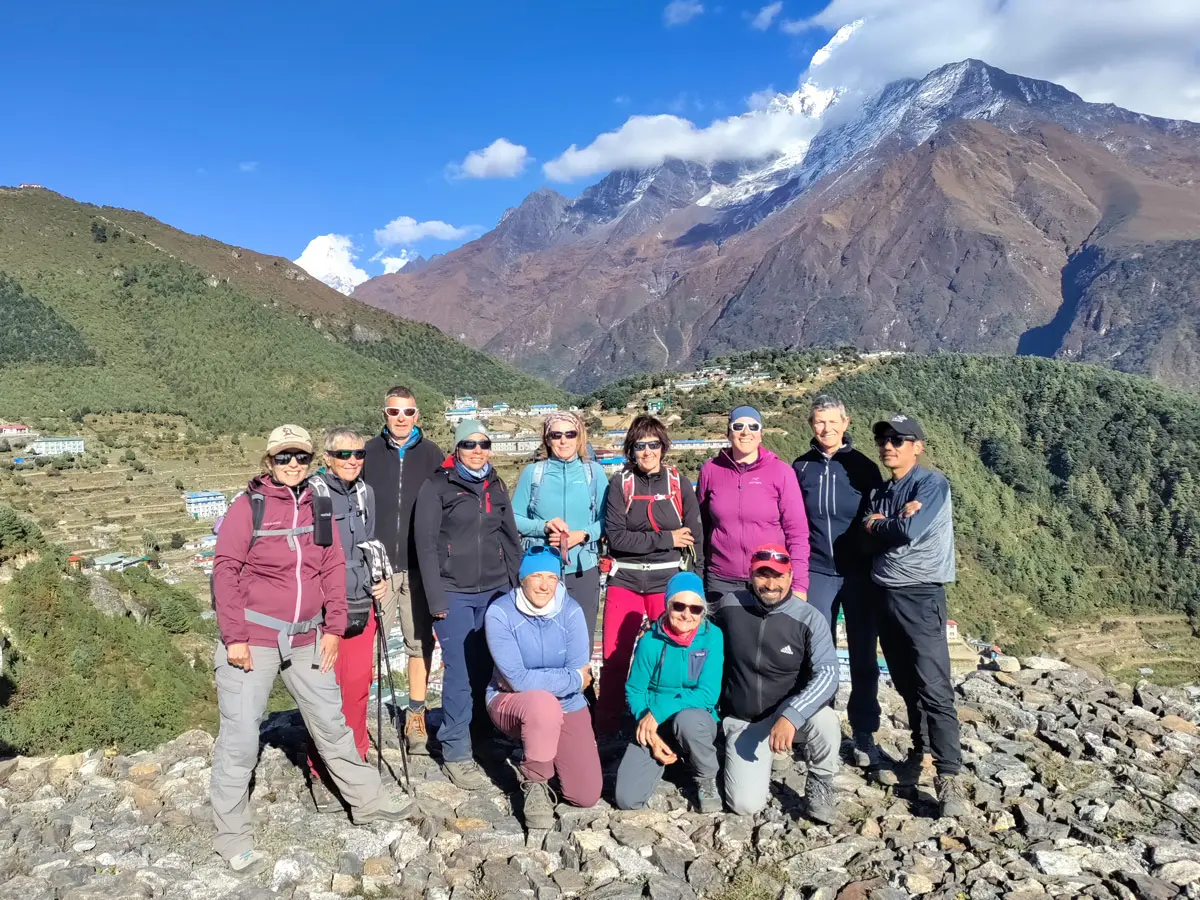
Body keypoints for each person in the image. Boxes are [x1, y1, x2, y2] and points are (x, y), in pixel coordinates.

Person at [211, 426, 412, 874]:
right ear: (269, 462)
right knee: (241, 739)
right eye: (284, 458)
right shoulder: (249, 507)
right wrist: (234, 637)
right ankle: (231, 836)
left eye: (300, 457)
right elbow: (224, 570)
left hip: (307, 637)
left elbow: (331, 565)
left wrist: (334, 627)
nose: (293, 465)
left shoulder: (318, 504)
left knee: (332, 723)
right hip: (257, 637)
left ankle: (368, 802)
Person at [864, 413, 969, 818]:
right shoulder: (882, 491)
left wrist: (883, 525)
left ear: (918, 446)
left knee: (934, 686)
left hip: (922, 595)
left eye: (899, 439)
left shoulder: (931, 484)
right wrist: (888, 521)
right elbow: (866, 534)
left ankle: (950, 775)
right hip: (884, 593)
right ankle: (920, 754)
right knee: (907, 684)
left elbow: (909, 532)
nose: (888, 445)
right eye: (884, 440)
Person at [414, 419, 521, 789]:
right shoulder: (438, 486)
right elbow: (425, 546)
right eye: (470, 444)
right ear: (456, 448)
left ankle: (480, 733)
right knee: (458, 672)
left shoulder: (496, 484)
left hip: (494, 590)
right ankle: (455, 750)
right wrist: (436, 597)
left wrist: (516, 587)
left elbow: (509, 538)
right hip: (453, 592)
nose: (478, 450)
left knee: (486, 667)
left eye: (484, 444)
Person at [792, 395, 889, 778]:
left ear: (846, 422)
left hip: (858, 573)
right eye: (819, 422)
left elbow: (880, 515)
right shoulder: (801, 467)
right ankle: (820, 727)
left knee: (864, 653)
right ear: (811, 424)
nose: (826, 429)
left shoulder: (863, 467)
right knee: (818, 654)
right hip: (817, 571)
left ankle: (864, 731)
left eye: (833, 421)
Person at [712, 544, 840, 822]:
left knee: (827, 720)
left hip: (788, 716)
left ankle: (821, 781)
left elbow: (828, 674)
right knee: (745, 805)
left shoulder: (809, 618)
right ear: (750, 575)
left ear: (791, 576)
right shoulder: (730, 605)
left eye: (779, 576)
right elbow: (695, 621)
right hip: (745, 722)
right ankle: (759, 756)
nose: (771, 584)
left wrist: (791, 716)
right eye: (763, 575)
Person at [597, 415, 704, 737]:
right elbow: (616, 538)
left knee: (673, 655)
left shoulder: (678, 483)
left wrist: (695, 586)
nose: (647, 452)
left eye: (653, 444)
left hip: (667, 583)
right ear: (631, 449)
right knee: (614, 658)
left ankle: (670, 724)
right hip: (625, 580)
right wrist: (667, 539)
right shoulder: (620, 484)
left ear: (663, 447)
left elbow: (696, 537)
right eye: (640, 445)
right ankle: (607, 727)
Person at [484, 548, 602, 829]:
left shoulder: (571, 611)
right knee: (542, 705)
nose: (544, 585)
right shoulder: (500, 613)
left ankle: (551, 752)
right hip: (509, 702)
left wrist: (533, 679)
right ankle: (536, 783)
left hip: (568, 703)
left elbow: (577, 669)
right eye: (536, 576)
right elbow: (522, 682)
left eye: (551, 577)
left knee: (585, 795)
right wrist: (570, 678)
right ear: (522, 579)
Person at [305, 428, 391, 811]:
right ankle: (322, 770)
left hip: (360, 605)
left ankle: (354, 761)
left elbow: (368, 544)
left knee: (357, 687)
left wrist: (380, 576)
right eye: (344, 455)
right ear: (328, 458)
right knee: (326, 695)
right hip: (323, 612)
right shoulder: (310, 495)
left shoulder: (365, 493)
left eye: (358, 454)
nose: (353, 460)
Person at [363, 386, 445, 756]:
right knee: (366, 643)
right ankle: (356, 717)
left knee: (418, 644)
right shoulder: (365, 453)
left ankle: (415, 715)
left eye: (407, 412)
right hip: (377, 568)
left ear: (417, 416)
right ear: (384, 414)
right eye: (393, 412)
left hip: (417, 567)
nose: (400, 418)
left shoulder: (432, 455)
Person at [614, 571, 723, 813]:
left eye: (695, 608)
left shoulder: (713, 637)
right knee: (627, 799)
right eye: (679, 606)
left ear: (703, 610)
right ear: (667, 605)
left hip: (694, 717)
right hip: (653, 720)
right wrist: (651, 734)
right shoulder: (650, 641)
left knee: (688, 721)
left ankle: (706, 776)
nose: (687, 614)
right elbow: (635, 689)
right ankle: (673, 757)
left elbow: (707, 693)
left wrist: (658, 711)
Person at [511, 411, 607, 647]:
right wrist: (542, 527)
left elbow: (608, 520)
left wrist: (583, 535)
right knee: (541, 644)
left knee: (580, 642)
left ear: (579, 437)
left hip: (583, 569)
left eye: (570, 434)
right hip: (541, 571)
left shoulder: (594, 473)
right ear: (547, 439)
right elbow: (513, 518)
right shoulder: (533, 474)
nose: (563, 440)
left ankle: (579, 685)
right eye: (556, 435)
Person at [697, 405, 810, 603]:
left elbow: (797, 532)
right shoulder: (710, 470)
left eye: (753, 426)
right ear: (728, 433)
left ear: (761, 435)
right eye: (738, 426)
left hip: (770, 577)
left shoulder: (781, 472)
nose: (746, 432)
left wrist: (799, 584)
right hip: (721, 580)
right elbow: (701, 526)